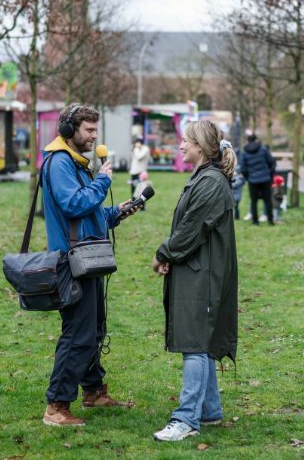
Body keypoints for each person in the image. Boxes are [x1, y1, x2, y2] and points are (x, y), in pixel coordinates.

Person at [41, 104, 136, 428]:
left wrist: (115, 213)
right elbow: (73, 204)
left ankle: (94, 391)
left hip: (89, 257)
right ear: (69, 130)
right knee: (78, 334)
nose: (94, 136)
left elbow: (88, 212)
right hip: (71, 261)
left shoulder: (78, 164)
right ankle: (56, 405)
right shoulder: (60, 163)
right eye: (89, 130)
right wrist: (103, 182)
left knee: (94, 329)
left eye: (96, 130)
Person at [151, 119, 238, 442]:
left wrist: (164, 253)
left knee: (195, 344)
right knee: (198, 339)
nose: (181, 146)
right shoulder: (205, 178)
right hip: (198, 271)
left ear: (201, 146)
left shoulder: (211, 182)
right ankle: (209, 409)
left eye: (186, 141)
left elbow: (191, 229)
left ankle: (186, 419)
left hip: (205, 276)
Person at [240, 134, 276, 226]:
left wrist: (248, 177)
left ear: (248, 141)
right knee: (267, 200)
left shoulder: (245, 153)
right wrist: (269, 174)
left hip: (252, 180)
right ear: (256, 140)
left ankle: (255, 221)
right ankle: (270, 221)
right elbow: (271, 162)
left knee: (253, 201)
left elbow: (243, 168)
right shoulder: (263, 149)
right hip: (265, 178)